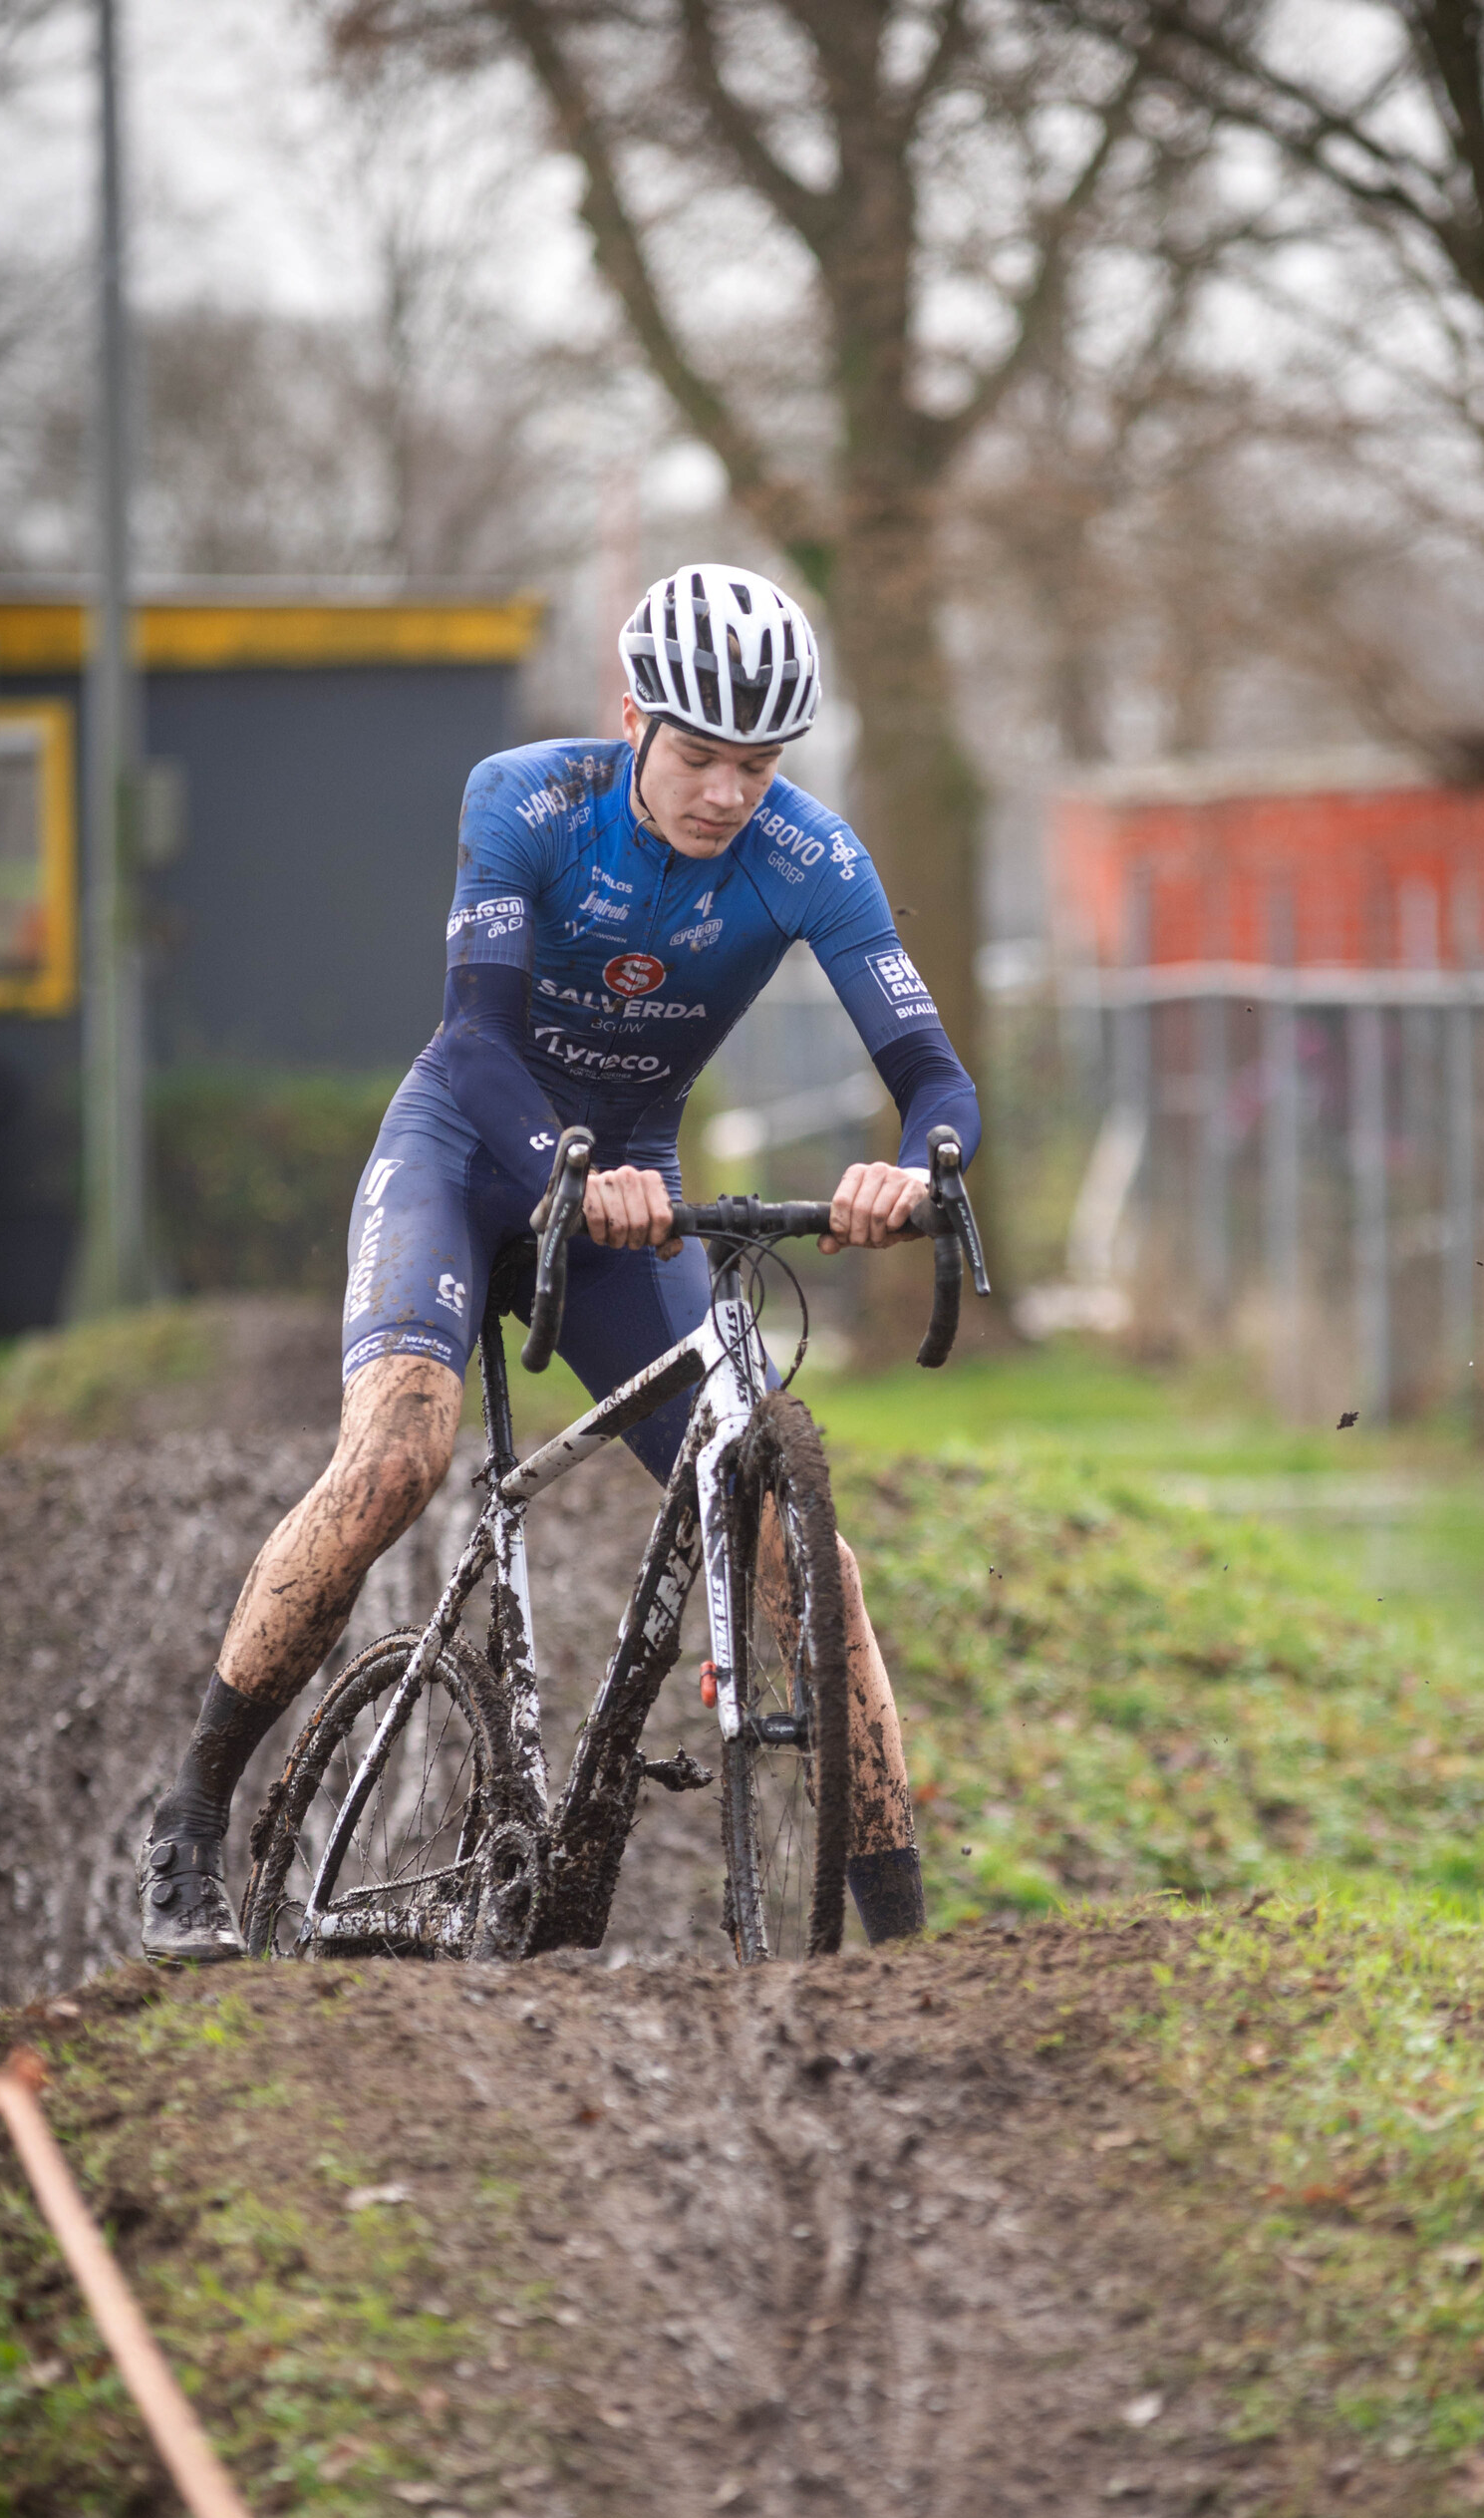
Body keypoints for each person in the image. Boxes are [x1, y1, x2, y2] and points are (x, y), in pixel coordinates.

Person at [139, 561, 979, 1965]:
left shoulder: (812, 856)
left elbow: (935, 1075)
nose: (727, 793)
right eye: (701, 756)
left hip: (631, 1196)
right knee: (398, 1458)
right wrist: (564, 1177)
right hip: (467, 1158)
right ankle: (187, 1823)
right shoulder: (524, 798)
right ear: (636, 719)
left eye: (758, 766)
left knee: (803, 1550)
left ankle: (901, 1948)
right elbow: (472, 1042)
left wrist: (917, 1167)